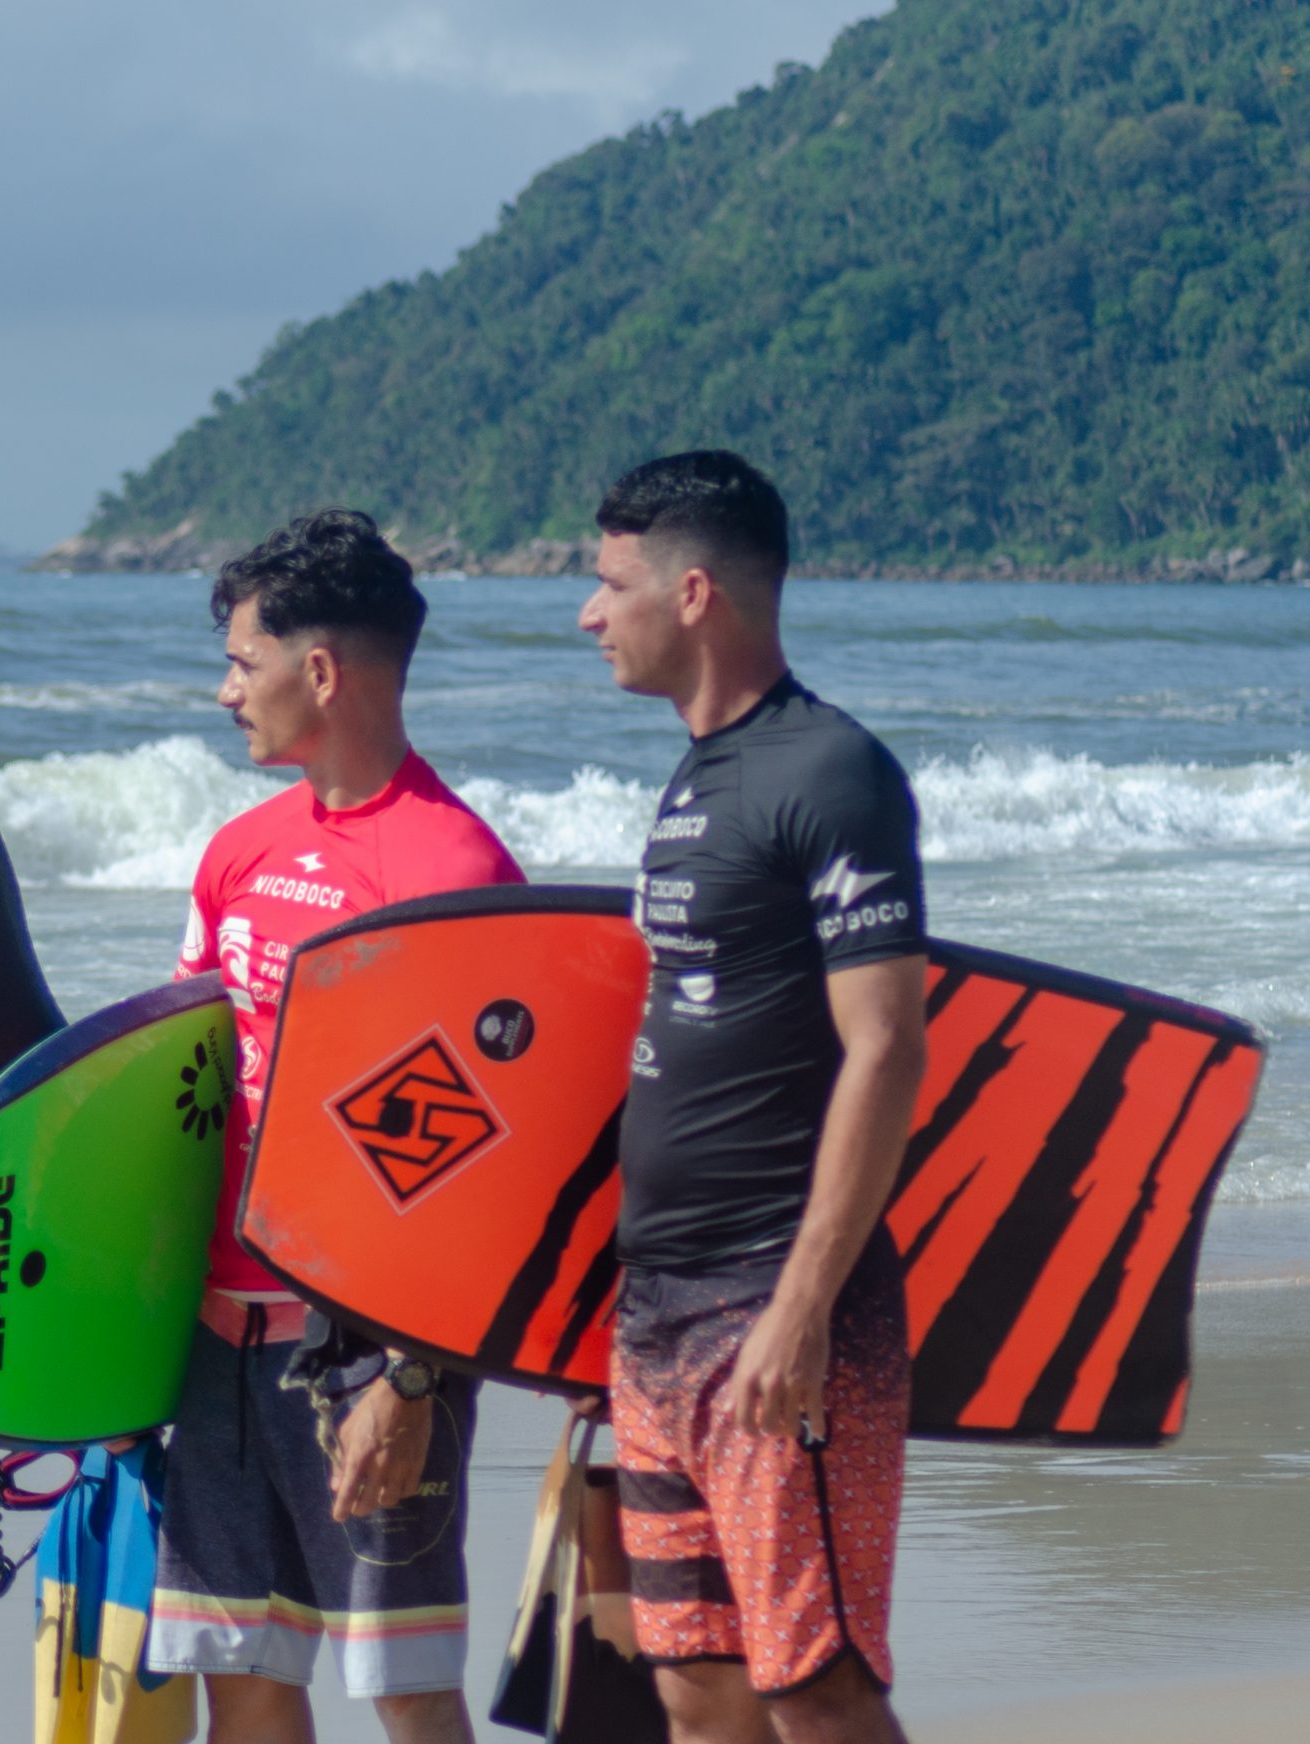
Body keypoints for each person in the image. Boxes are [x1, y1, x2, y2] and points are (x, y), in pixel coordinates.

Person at [147, 509, 525, 1744]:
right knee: (242, 1676)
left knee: (404, 1689)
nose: (224, 690)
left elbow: (482, 1173)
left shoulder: (452, 873)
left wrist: (411, 1382)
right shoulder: (237, 854)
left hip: (366, 1349)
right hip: (216, 1343)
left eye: (241, 661)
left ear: (318, 671)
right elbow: (180, 1089)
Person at [577, 451, 927, 1744]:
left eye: (611, 584)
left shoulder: (830, 774)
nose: (589, 612)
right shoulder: (693, 781)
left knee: (816, 1684)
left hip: (774, 1306)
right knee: (697, 1688)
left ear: (697, 592)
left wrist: (802, 1308)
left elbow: (886, 1048)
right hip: (658, 1311)